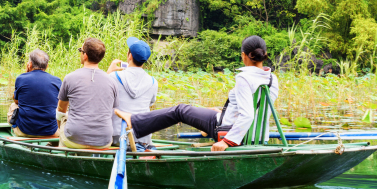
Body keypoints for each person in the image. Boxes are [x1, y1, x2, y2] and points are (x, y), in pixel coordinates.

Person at [115, 36, 279, 151]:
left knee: (180, 110)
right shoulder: (272, 79)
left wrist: (227, 142)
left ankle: (134, 121)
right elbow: (258, 110)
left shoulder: (244, 77)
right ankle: (138, 122)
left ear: (244, 56)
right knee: (207, 111)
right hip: (257, 136)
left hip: (228, 132)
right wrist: (225, 112)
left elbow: (248, 115)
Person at [56, 37, 118, 149]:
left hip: (74, 139)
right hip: (104, 141)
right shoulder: (112, 82)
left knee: (64, 117)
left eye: (81, 50)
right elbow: (114, 110)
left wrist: (61, 128)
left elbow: (61, 109)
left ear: (85, 56)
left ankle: (62, 151)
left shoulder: (70, 78)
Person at [106, 37, 158, 148]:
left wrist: (109, 71)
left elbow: (101, 97)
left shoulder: (113, 76)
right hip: (143, 137)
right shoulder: (153, 82)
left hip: (117, 136)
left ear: (129, 56)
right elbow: (150, 103)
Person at [10, 49, 61, 138]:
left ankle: (16, 130)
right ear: (47, 66)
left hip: (25, 130)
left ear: (29, 64)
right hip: (51, 131)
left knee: (12, 106)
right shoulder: (57, 81)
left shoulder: (21, 78)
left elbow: (17, 101)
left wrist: (26, 73)